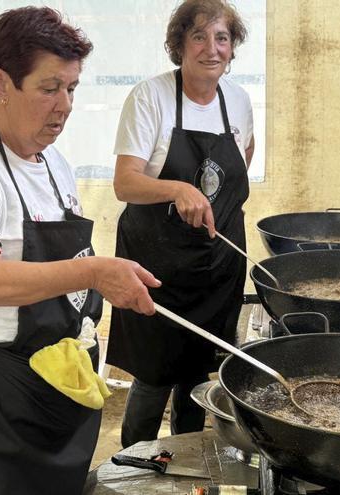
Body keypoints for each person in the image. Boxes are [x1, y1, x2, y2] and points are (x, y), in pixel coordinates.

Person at [0, 7, 159, 494]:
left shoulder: (53, 163)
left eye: (72, 88)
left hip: (47, 380)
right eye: (49, 88)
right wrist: (93, 273)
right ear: (1, 83)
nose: (65, 105)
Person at [106, 0, 254, 448]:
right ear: (179, 45)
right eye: (199, 36)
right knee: (153, 377)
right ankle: (133, 464)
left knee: (197, 375)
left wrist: (211, 198)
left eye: (222, 38)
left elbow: (242, 160)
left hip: (214, 267)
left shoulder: (239, 101)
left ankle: (186, 465)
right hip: (156, 263)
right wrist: (176, 189)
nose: (212, 49)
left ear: (232, 47)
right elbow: (125, 183)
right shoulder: (150, 97)